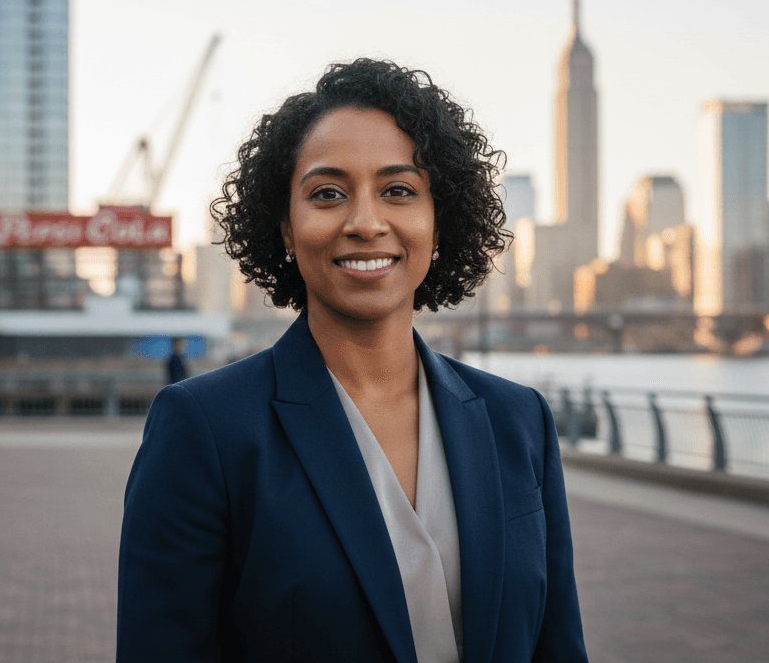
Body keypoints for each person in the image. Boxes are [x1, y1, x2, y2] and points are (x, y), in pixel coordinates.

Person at [117, 59, 587, 662]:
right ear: (285, 229)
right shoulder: (204, 431)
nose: (366, 223)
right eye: (328, 194)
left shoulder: (519, 421)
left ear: (438, 222)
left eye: (398, 190)